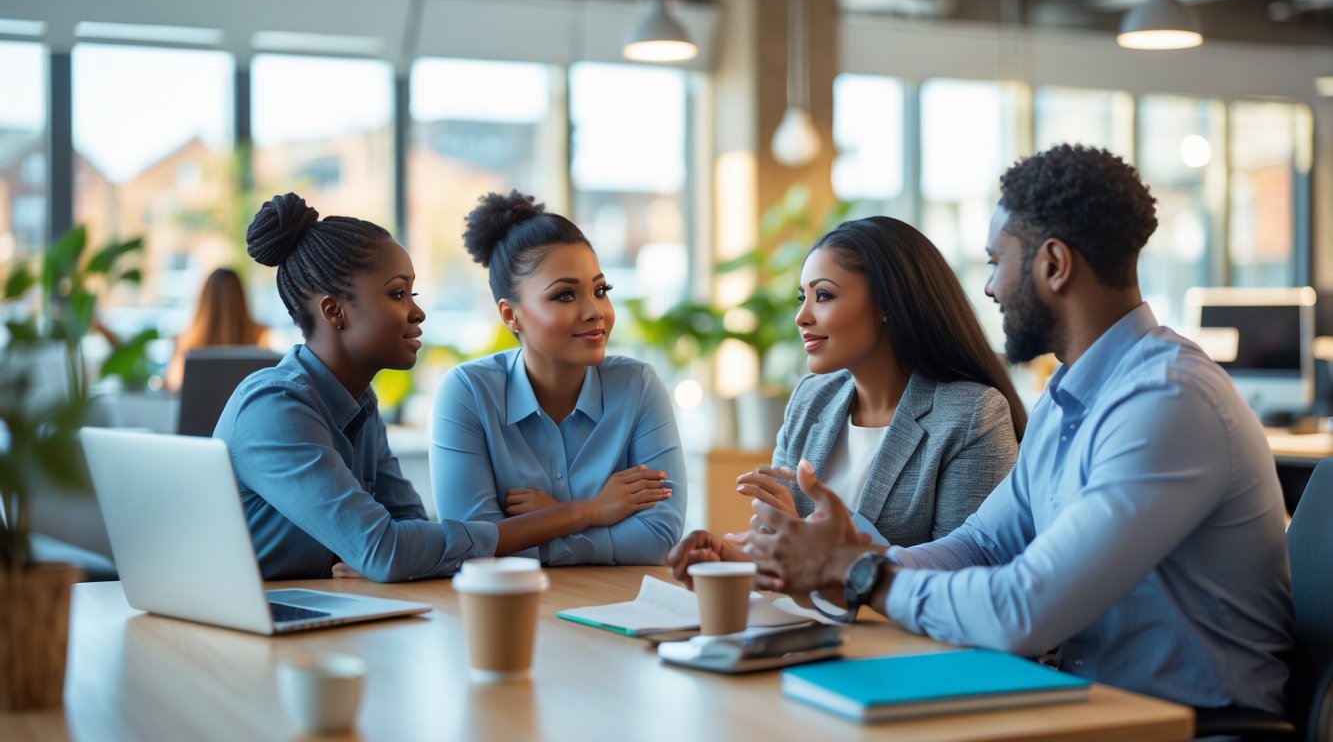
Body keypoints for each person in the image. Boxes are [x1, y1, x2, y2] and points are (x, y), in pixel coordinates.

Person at [669, 144, 1293, 715]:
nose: (989, 287)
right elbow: (981, 545)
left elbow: (1025, 609)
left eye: (997, 262)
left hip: (1190, 725)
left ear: (1054, 265)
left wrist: (860, 573)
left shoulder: (1167, 402)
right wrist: (835, 560)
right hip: (1091, 707)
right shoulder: (1067, 400)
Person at [216, 193, 606, 582]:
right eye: (397, 293)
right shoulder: (274, 406)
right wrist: (580, 512)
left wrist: (397, 554)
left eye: (412, 294)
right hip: (244, 614)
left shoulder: (359, 403)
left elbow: (408, 530)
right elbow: (388, 551)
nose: (418, 312)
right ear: (335, 311)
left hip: (323, 604)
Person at [735, 216, 1025, 547]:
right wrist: (726, 554)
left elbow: (965, 563)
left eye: (824, 295)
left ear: (886, 303)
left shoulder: (972, 414)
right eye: (803, 297)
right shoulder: (810, 398)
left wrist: (806, 538)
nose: (802, 317)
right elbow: (774, 540)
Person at [431, 190, 685, 566]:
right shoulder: (467, 393)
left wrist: (546, 520)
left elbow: (657, 538)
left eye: (600, 290)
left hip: (615, 600)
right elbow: (472, 544)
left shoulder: (638, 386)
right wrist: (588, 512)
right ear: (510, 315)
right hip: (510, 599)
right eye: (565, 295)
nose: (594, 311)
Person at [165, 267, 272, 392]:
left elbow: (174, 386)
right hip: (244, 404)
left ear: (205, 299)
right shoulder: (260, 335)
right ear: (241, 297)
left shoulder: (187, 339)